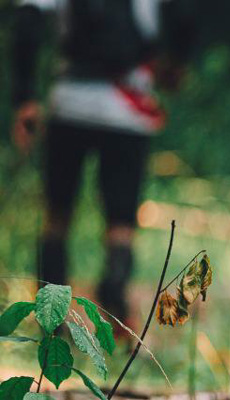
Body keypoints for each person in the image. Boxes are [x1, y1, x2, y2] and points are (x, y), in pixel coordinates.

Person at [11, 0, 197, 325]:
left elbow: (27, 24)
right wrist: (176, 64)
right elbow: (184, 15)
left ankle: (51, 317)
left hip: (68, 103)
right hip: (128, 110)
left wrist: (24, 97)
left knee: (57, 214)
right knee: (121, 221)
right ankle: (115, 308)